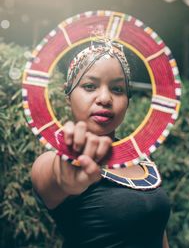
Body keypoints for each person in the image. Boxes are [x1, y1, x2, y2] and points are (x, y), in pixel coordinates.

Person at [31, 41, 170, 248]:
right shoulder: (53, 161)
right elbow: (56, 176)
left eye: (117, 89)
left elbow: (158, 236)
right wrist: (67, 176)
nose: (105, 98)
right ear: (68, 95)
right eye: (89, 86)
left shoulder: (141, 160)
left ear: (128, 99)